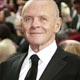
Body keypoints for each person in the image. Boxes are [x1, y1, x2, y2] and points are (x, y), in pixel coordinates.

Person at [0, 0, 80, 80]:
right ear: (22, 24)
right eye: (28, 19)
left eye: (43, 19)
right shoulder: (6, 67)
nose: (35, 25)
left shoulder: (76, 67)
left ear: (57, 25)